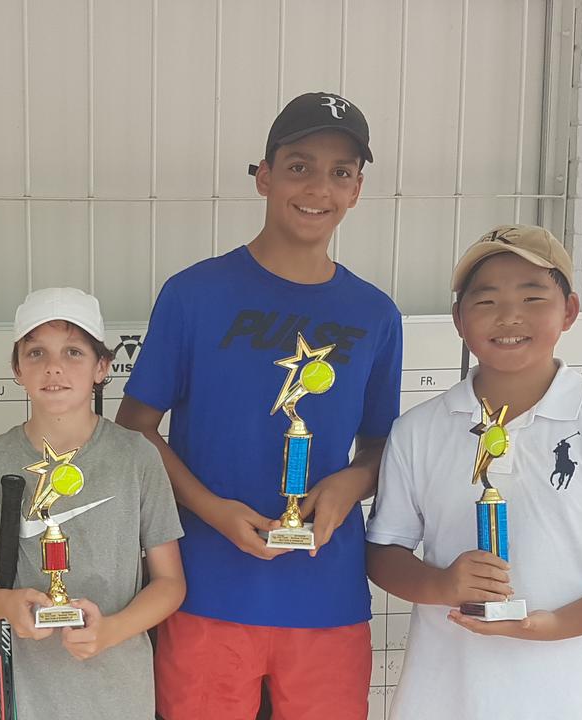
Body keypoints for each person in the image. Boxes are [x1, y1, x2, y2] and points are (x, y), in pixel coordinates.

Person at [116, 92, 403, 719]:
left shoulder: (376, 315)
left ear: (357, 190)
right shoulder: (194, 293)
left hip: (326, 596)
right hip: (203, 587)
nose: (318, 187)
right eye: (299, 165)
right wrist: (215, 511)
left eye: (341, 172)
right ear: (264, 176)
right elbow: (135, 428)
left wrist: (348, 486)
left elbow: (382, 445)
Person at [365, 225, 582, 719]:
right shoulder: (418, 429)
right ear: (459, 320)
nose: (510, 316)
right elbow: (384, 552)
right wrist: (442, 586)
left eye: (534, 297)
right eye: (486, 301)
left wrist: (554, 625)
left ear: (569, 311)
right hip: (441, 697)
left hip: (565, 697)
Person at [0, 287, 185, 719]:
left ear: (102, 367)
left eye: (74, 352)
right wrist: (6, 605)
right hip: (28, 692)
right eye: (36, 352)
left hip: (121, 693)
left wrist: (112, 630)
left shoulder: (136, 456)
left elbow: (170, 584)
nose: (54, 367)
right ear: (17, 368)